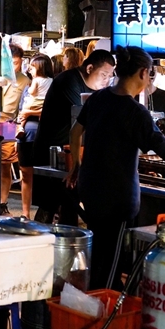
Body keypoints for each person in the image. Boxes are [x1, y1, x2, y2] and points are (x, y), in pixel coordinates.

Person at [68, 46, 165, 290]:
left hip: (91, 191)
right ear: (143, 72)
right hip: (118, 199)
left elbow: (75, 131)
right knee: (110, 266)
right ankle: (105, 313)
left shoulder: (98, 98)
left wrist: (77, 166)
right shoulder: (136, 112)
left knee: (99, 255)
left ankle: (94, 307)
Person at [30, 48, 116, 224]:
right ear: (90, 68)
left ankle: (67, 243)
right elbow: (86, 117)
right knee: (50, 205)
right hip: (53, 152)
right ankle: (40, 242)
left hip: (74, 152)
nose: (107, 81)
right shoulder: (69, 81)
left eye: (110, 77)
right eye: (104, 75)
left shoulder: (98, 90)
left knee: (69, 205)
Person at [16, 52, 54, 218]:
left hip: (42, 135)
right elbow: (21, 110)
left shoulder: (49, 86)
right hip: (27, 135)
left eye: (32, 66)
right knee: (25, 173)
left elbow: (51, 112)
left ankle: (45, 212)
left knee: (41, 176)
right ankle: (25, 213)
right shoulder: (30, 87)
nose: (29, 69)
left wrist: (29, 112)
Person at [0, 43, 31, 215]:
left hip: (9, 125)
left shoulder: (25, 80)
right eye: (10, 63)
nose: (13, 66)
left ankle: (2, 203)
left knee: (5, 165)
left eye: (16, 63)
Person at [144, 66, 165, 137]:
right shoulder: (130, 97)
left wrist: (164, 128)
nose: (149, 77)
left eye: (151, 72)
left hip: (158, 146)